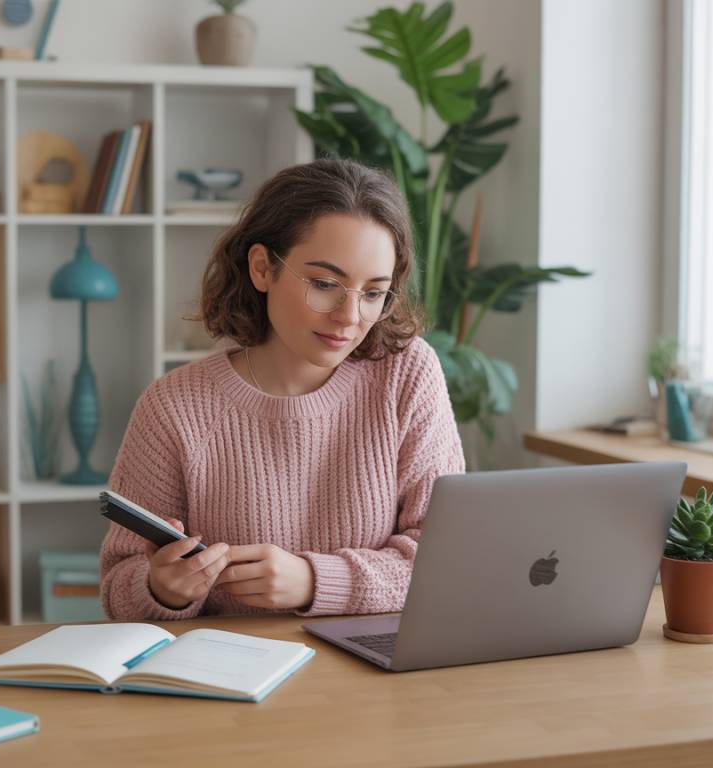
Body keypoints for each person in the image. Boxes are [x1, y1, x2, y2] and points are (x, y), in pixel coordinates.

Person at [100, 157, 464, 620]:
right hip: (232, 674)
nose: (350, 317)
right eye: (325, 284)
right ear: (261, 268)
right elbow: (117, 588)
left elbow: (446, 561)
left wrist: (314, 581)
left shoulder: (406, 373)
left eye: (373, 293)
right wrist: (162, 588)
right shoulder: (174, 407)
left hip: (375, 677)